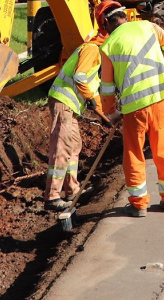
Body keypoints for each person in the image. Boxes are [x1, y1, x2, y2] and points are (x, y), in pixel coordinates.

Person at [97, 1, 164, 217]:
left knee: (134, 153)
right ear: (123, 15)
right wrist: (159, 64)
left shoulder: (108, 46)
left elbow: (106, 89)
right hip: (161, 99)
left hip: (134, 108)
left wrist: (112, 113)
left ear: (106, 22)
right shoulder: (148, 26)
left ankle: (139, 204)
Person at [43, 17, 105, 211]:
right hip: (63, 102)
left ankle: (72, 188)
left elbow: (93, 90)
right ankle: (52, 196)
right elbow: (80, 77)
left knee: (74, 144)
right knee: (62, 146)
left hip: (70, 105)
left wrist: (108, 117)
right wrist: (90, 99)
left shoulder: (97, 55)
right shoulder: (92, 49)